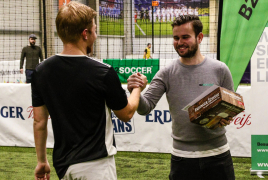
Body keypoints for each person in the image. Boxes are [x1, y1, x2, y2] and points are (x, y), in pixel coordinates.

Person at [32, 2, 146, 180]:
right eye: (94, 29)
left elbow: (39, 122)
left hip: (63, 166)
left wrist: (41, 161)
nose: (96, 34)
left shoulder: (41, 71)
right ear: (85, 34)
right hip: (96, 166)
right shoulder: (102, 71)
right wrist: (137, 87)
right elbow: (127, 113)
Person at [128, 15, 235, 180]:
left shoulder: (220, 69)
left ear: (199, 37)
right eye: (176, 38)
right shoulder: (167, 72)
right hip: (182, 159)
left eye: (185, 37)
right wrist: (136, 90)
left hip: (218, 156)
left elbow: (230, 109)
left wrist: (224, 118)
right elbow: (145, 107)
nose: (179, 42)